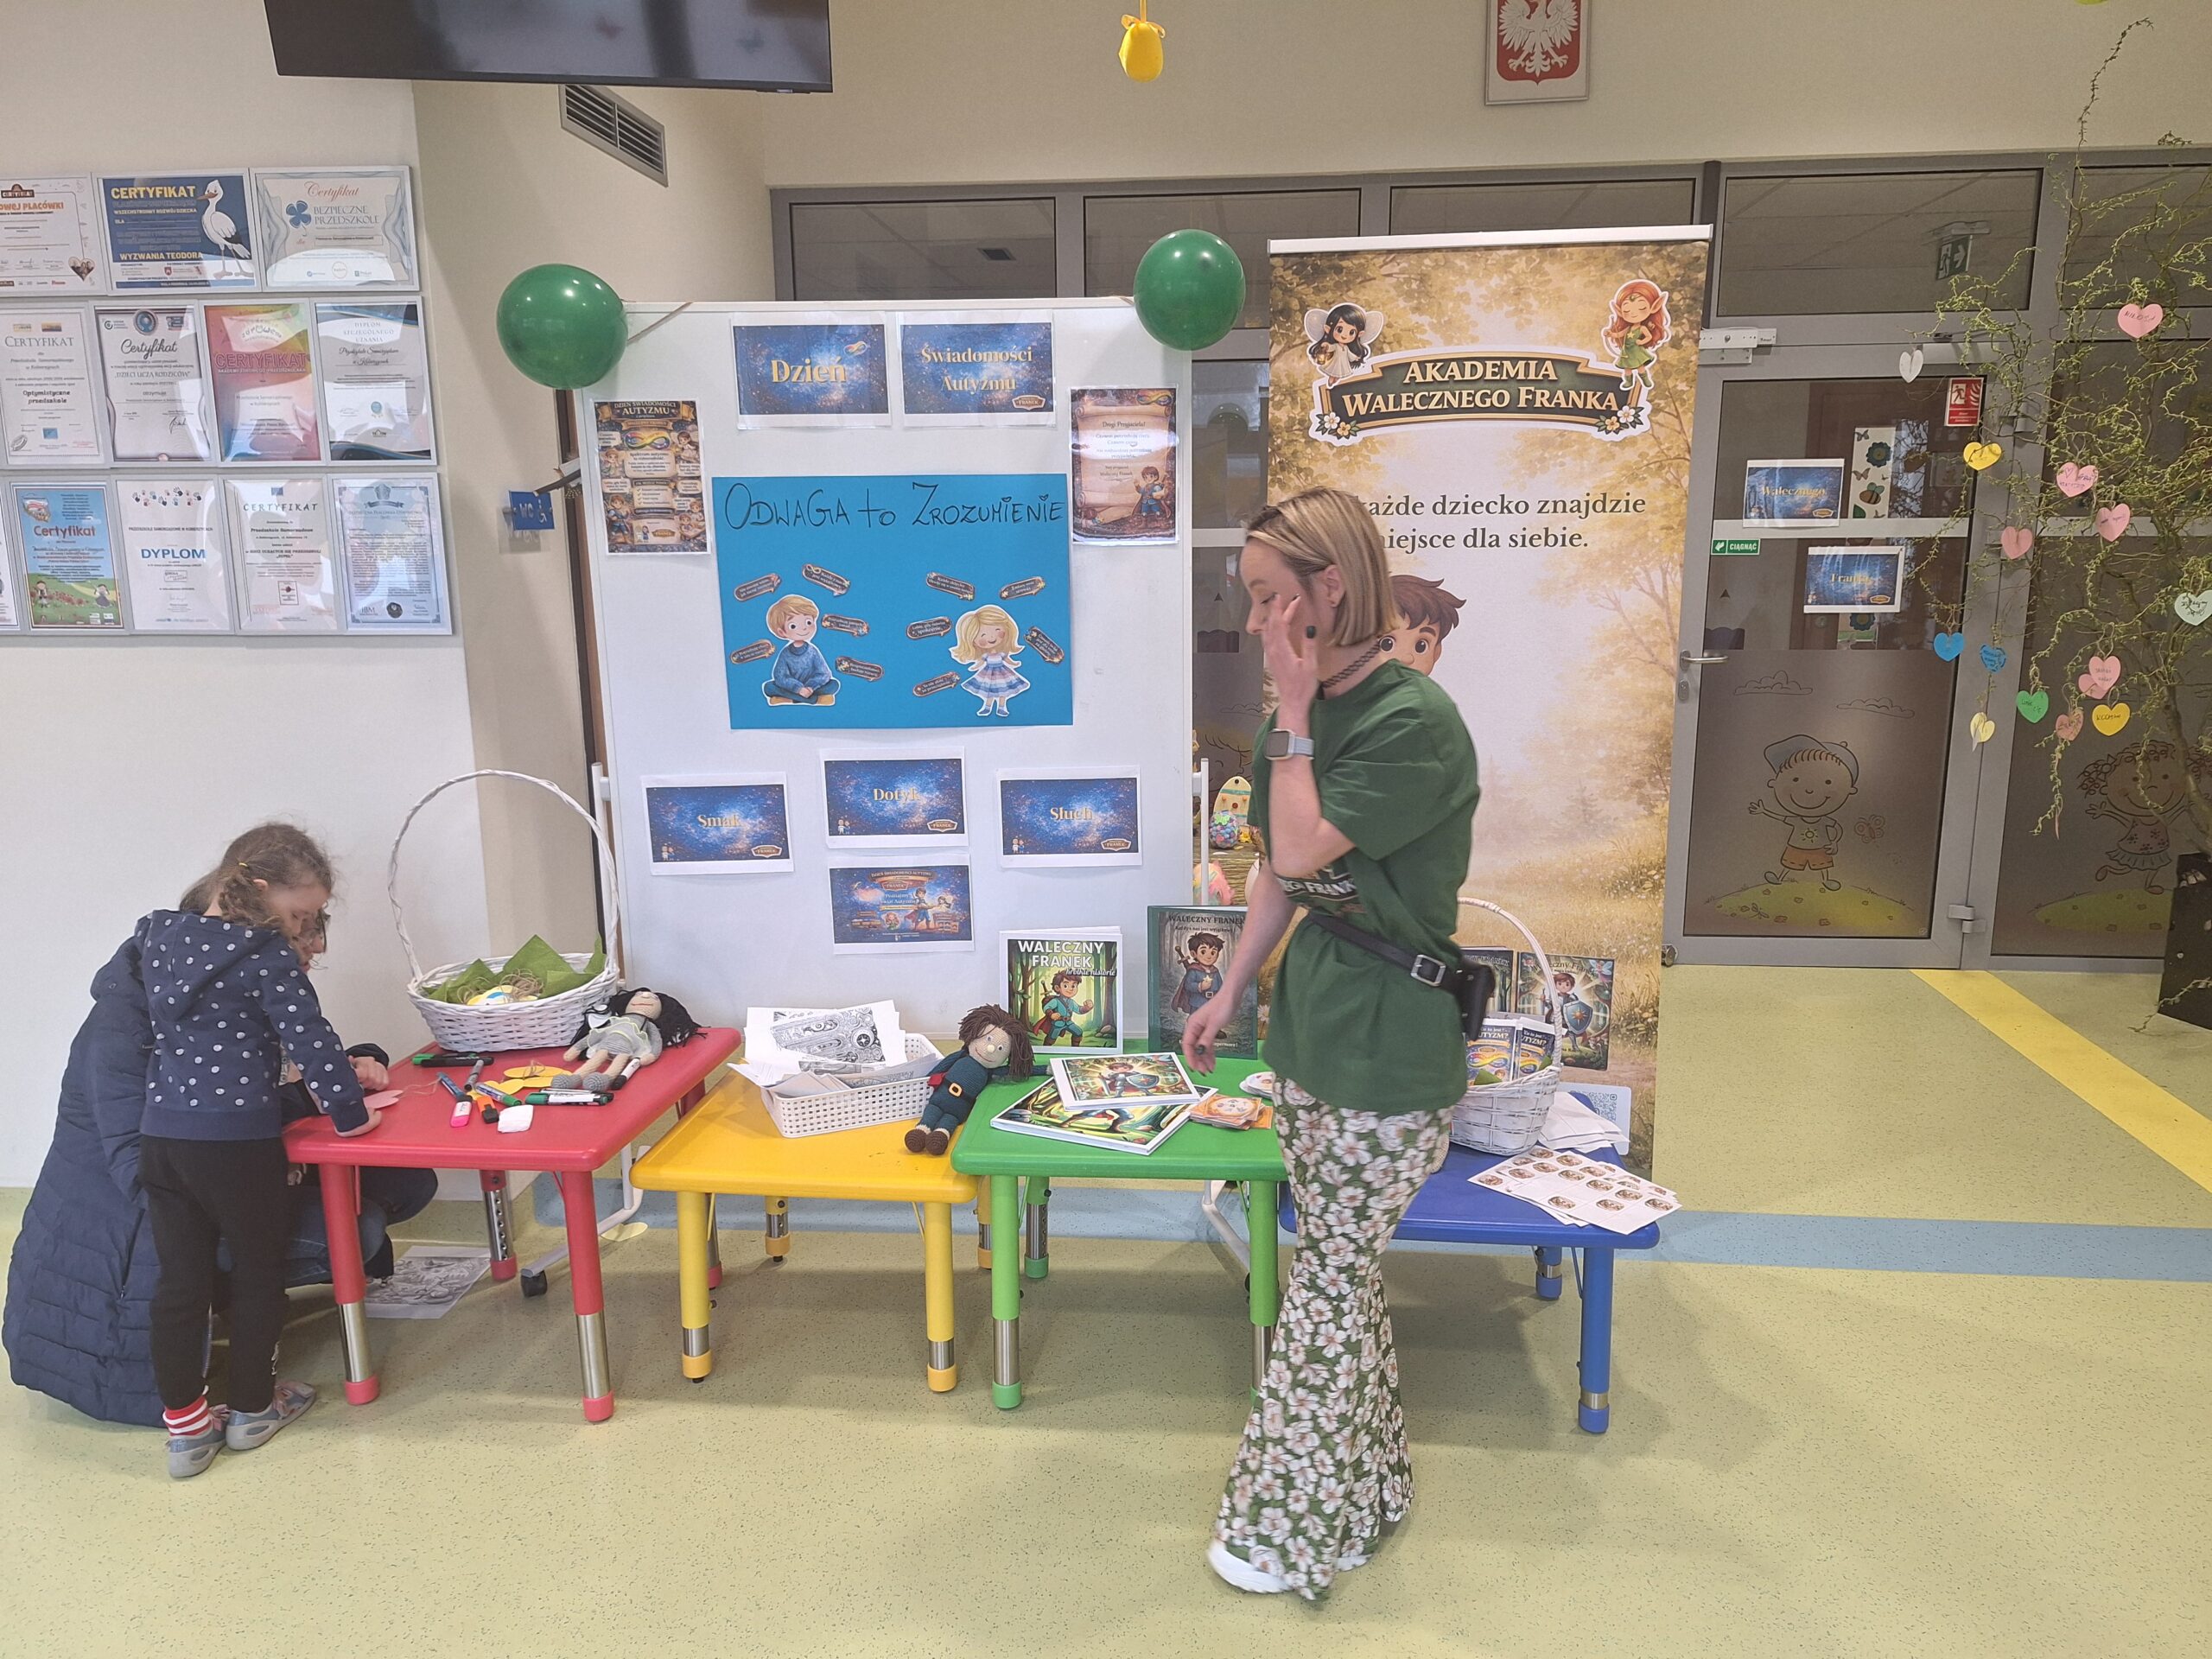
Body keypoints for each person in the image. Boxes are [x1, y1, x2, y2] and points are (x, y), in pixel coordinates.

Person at [1181, 486, 1480, 1599]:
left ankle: (1284, 1534)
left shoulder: (1413, 723)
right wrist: (1230, 986)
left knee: (1326, 1287)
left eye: (1270, 598)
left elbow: (1306, 847)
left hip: (1389, 1041)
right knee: (1338, 1281)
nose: (1258, 621)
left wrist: (1296, 715)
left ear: (1332, 588)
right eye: (1251, 599)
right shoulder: (1295, 720)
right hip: (1313, 1025)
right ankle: (1371, 1494)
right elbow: (1275, 869)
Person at [4, 827, 424, 1433]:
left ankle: (200, 1416)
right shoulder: (125, 1022)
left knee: (404, 1182)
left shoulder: (195, 978)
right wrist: (278, 1148)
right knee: (332, 1236)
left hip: (194, 1164)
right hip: (133, 1232)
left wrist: (331, 1080)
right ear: (255, 911)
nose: (309, 951)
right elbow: (137, 1169)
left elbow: (256, 1076)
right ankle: (249, 1399)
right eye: (301, 929)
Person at [137, 825, 384, 1477]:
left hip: (162, 1138)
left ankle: (187, 1433)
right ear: (263, 889)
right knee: (256, 1274)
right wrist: (351, 1114)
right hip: (236, 1144)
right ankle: (251, 1409)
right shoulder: (264, 954)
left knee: (180, 1283)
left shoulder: (159, 937)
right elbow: (313, 1041)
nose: (304, 930)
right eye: (299, 914)